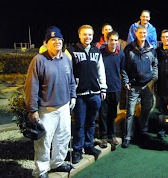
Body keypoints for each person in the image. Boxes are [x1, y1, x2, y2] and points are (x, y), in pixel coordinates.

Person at [25, 26, 76, 178]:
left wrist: (72, 97)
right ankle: (41, 170)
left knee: (63, 137)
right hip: (46, 109)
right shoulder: (39, 60)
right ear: (45, 43)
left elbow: (71, 80)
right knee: (44, 141)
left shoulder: (66, 59)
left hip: (64, 107)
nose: (57, 42)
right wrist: (32, 109)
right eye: (52, 40)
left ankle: (57, 163)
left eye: (59, 39)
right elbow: (31, 86)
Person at [65, 24, 107, 164]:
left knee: (91, 122)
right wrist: (71, 93)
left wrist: (103, 88)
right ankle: (77, 150)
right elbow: (68, 73)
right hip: (79, 94)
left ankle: (88, 146)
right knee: (79, 123)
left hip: (95, 93)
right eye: (85, 34)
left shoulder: (97, 51)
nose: (87, 37)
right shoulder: (71, 51)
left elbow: (101, 71)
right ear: (79, 35)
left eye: (90, 34)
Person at [122, 25, 158, 148]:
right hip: (134, 86)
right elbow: (124, 68)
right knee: (130, 111)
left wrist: (153, 80)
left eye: (144, 33)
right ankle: (128, 136)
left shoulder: (151, 49)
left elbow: (155, 66)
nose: (142, 35)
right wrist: (126, 81)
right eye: (140, 33)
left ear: (146, 34)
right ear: (136, 34)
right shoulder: (129, 49)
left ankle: (143, 132)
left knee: (146, 110)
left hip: (147, 86)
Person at [98, 30, 127, 148]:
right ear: (107, 41)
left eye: (116, 40)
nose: (114, 42)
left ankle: (112, 135)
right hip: (103, 88)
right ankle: (103, 136)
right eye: (111, 40)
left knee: (113, 113)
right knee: (103, 113)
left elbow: (122, 70)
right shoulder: (100, 53)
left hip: (116, 87)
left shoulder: (121, 55)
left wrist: (126, 82)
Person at [155, 29, 168, 137]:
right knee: (163, 108)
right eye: (163, 37)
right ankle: (162, 128)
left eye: (167, 37)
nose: (165, 39)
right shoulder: (157, 51)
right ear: (161, 39)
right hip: (162, 85)